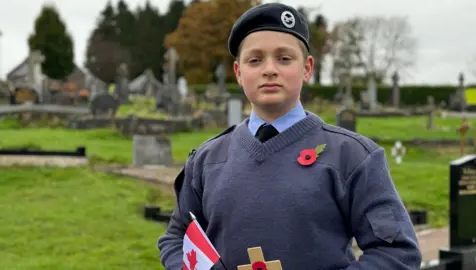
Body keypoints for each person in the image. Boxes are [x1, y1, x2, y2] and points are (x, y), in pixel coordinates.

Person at [158, 3, 422, 269]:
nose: (269, 69)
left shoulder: (352, 157)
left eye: (284, 59)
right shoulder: (206, 160)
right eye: (255, 60)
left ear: (307, 68)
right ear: (238, 73)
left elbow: (396, 252)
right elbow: (177, 237)